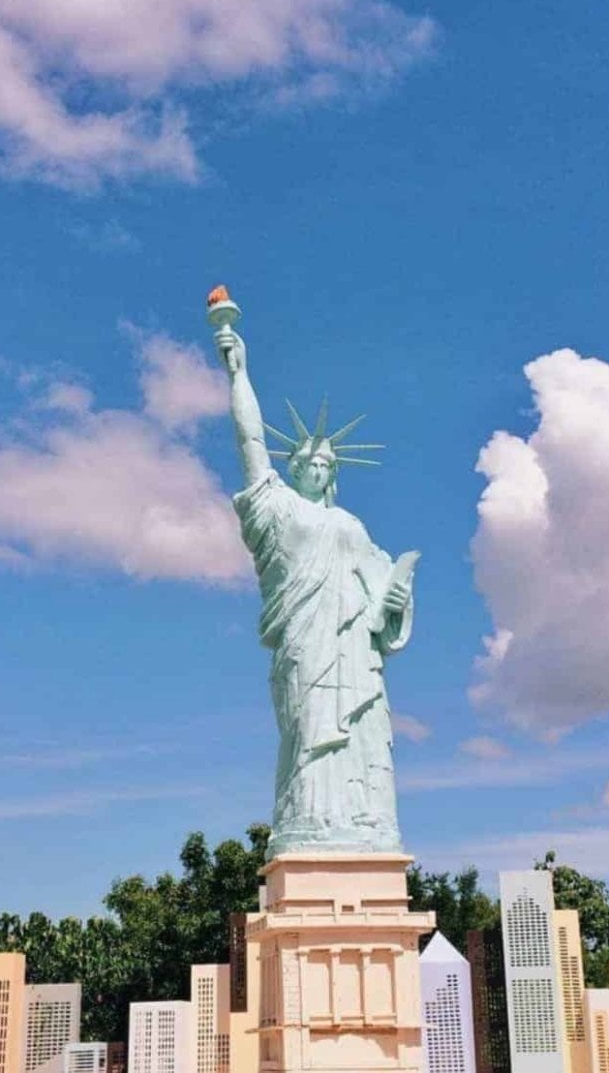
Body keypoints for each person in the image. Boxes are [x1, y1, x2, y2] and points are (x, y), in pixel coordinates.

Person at [215, 320, 418, 856]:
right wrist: (239, 373)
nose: (317, 468)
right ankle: (307, 825)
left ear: (333, 475)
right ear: (295, 469)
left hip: (354, 655)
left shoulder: (352, 528)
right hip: (306, 646)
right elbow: (250, 441)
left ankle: (366, 828)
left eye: (326, 464)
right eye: (307, 462)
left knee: (362, 735)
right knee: (307, 732)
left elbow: (384, 597)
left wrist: (394, 604)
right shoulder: (277, 512)